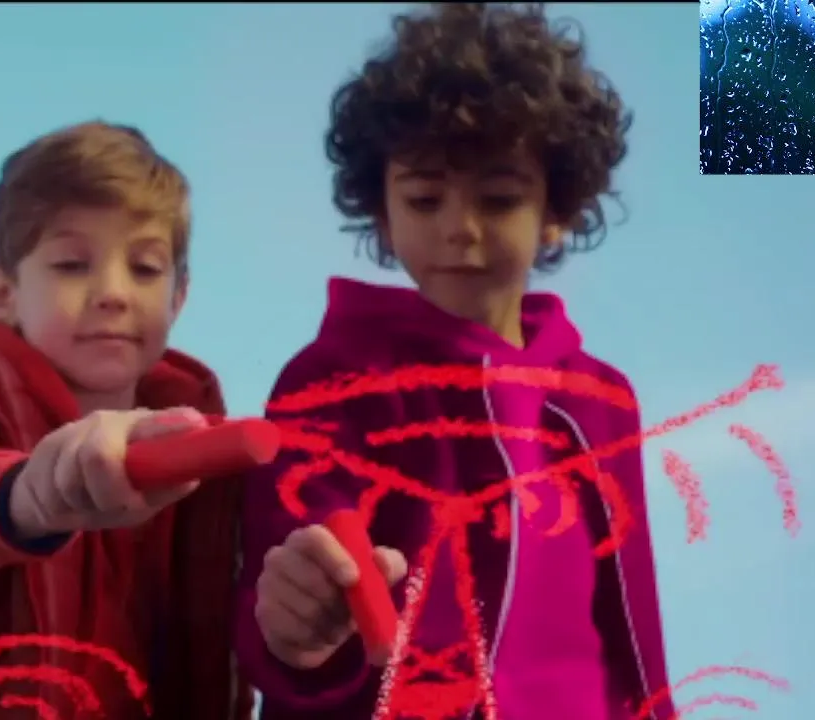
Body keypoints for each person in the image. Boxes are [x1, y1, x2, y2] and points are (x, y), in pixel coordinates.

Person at [235, 4, 676, 720]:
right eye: (424, 198)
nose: (459, 228)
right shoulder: (335, 378)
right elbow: (283, 589)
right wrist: (299, 624)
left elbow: (633, 625)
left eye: (497, 199)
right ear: (382, 214)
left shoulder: (602, 400)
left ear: (557, 211)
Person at [0, 122, 252, 720]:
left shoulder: (204, 442)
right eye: (72, 265)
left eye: (146, 268)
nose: (114, 293)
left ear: (179, 297)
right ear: (3, 293)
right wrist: (29, 495)